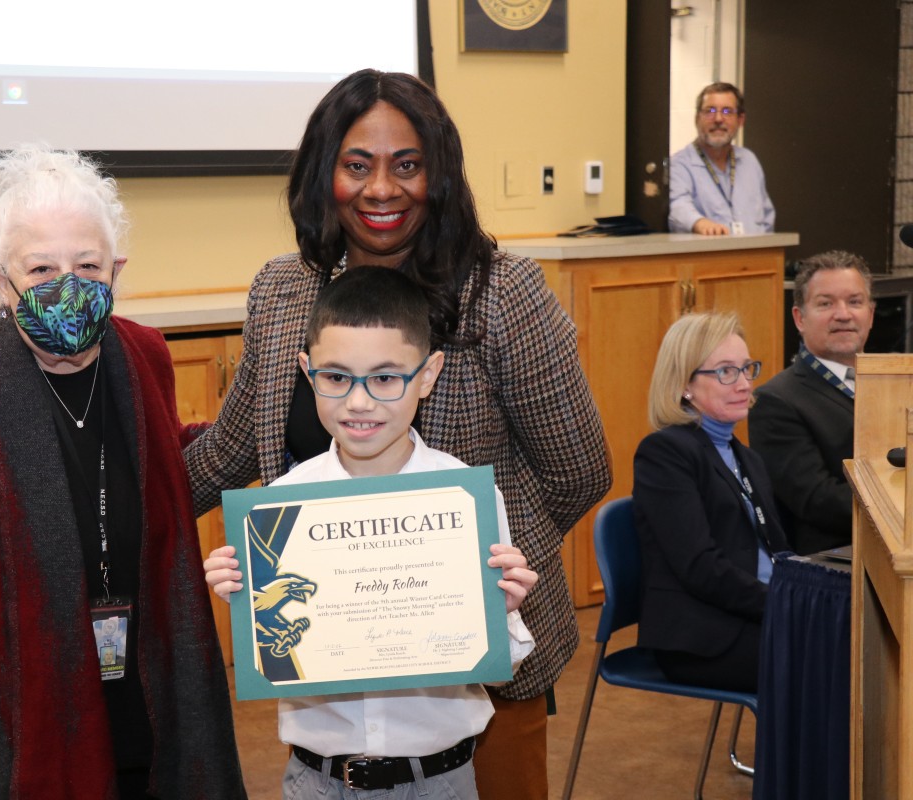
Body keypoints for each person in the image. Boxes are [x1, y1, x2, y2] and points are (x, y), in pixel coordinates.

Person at [184, 69, 611, 798]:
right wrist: (118, 504)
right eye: (358, 165)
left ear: (437, 174)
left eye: (407, 165)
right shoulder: (281, 290)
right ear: (326, 174)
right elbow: (227, 451)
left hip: (475, 678)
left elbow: (578, 469)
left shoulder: (503, 290)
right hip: (327, 667)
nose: (383, 188)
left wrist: (468, 578)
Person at [0, 145, 246, 800]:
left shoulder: (144, 355)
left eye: (87, 265)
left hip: (147, 708)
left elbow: (152, 467)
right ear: (0, 279)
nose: (68, 284)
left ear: (116, 270)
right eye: (41, 268)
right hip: (17, 732)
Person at [204, 266, 539, 799]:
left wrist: (497, 615)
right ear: (306, 372)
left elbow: (501, 670)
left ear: (427, 376)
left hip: (440, 781)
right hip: (317, 782)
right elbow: (280, 650)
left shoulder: (462, 499)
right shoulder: (280, 507)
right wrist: (245, 597)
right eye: (336, 377)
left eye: (385, 378)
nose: (358, 402)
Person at [633, 312, 789, 692]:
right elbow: (700, 567)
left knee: (857, 640)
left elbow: (777, 549)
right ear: (685, 383)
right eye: (725, 372)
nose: (744, 384)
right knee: (831, 656)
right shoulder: (665, 453)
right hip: (702, 634)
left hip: (751, 613)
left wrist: (805, 596)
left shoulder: (745, 456)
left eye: (747, 369)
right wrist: (783, 606)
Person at [748, 251, 874, 555]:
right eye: (826, 303)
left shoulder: (898, 382)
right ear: (799, 318)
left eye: (854, 302)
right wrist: (903, 506)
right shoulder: (775, 402)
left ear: (870, 314)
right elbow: (820, 502)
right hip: (837, 566)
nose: (843, 314)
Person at [668, 81, 775, 236]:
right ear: (697, 118)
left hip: (755, 257)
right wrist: (699, 222)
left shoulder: (750, 161)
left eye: (727, 111)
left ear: (740, 120)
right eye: (709, 111)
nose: (718, 119)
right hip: (710, 258)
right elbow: (678, 206)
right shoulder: (679, 164)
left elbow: (767, 218)